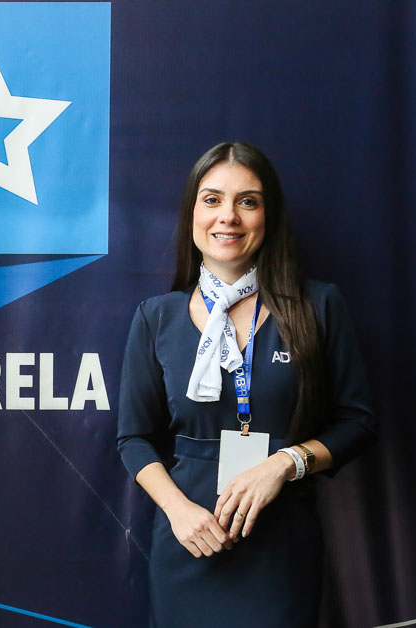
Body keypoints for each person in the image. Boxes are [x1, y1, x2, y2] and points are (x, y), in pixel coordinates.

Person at [117, 142, 376, 628]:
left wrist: (285, 462)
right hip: (190, 537)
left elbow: (358, 422)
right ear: (192, 213)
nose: (228, 217)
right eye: (212, 199)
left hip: (282, 544)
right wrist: (178, 511)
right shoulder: (156, 317)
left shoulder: (319, 305)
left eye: (248, 201)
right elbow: (133, 438)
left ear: (268, 216)